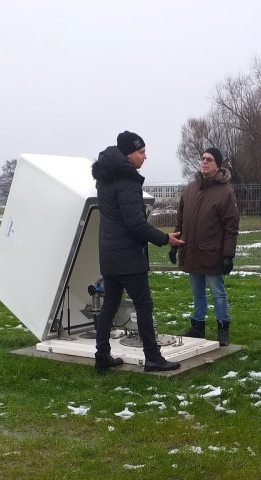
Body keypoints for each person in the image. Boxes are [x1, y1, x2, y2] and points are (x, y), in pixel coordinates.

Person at [91, 131, 185, 373]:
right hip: (128, 255)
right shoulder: (127, 181)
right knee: (143, 305)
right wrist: (165, 239)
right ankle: (153, 357)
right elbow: (135, 223)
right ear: (128, 154)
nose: (145, 157)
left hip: (109, 253)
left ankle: (102, 355)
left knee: (109, 305)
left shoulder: (105, 178)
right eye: (141, 152)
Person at [168, 147, 240, 346]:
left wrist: (228, 256)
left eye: (209, 159)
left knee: (218, 293)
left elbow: (231, 227)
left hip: (212, 253)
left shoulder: (225, 192)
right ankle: (198, 327)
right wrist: (174, 245)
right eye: (203, 158)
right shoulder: (190, 189)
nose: (204, 162)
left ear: (218, 165)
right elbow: (181, 220)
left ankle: (223, 328)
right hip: (191, 251)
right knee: (197, 292)